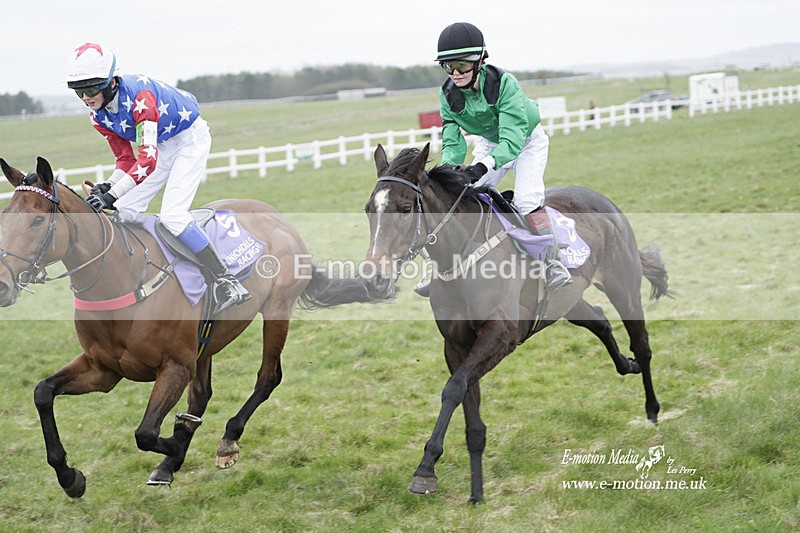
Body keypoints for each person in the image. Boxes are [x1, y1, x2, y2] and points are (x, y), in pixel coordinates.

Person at [65, 42, 250, 313]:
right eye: (79, 91)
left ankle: (226, 281)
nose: (85, 97)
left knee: (173, 216)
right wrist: (109, 185)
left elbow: (147, 161)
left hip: (189, 140)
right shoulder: (98, 117)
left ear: (111, 82)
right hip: (161, 146)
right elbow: (126, 160)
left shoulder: (141, 99)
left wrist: (111, 194)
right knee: (123, 211)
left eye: (91, 89)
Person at [416, 22, 571, 296]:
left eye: (462, 65)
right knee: (460, 194)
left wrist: (482, 166)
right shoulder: (447, 94)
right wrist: (451, 171)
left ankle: (552, 262)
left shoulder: (504, 84)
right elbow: (452, 138)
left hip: (526, 140)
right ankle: (443, 267)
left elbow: (511, 141)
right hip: (490, 141)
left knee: (526, 200)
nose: (455, 74)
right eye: (448, 66)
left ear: (480, 61)